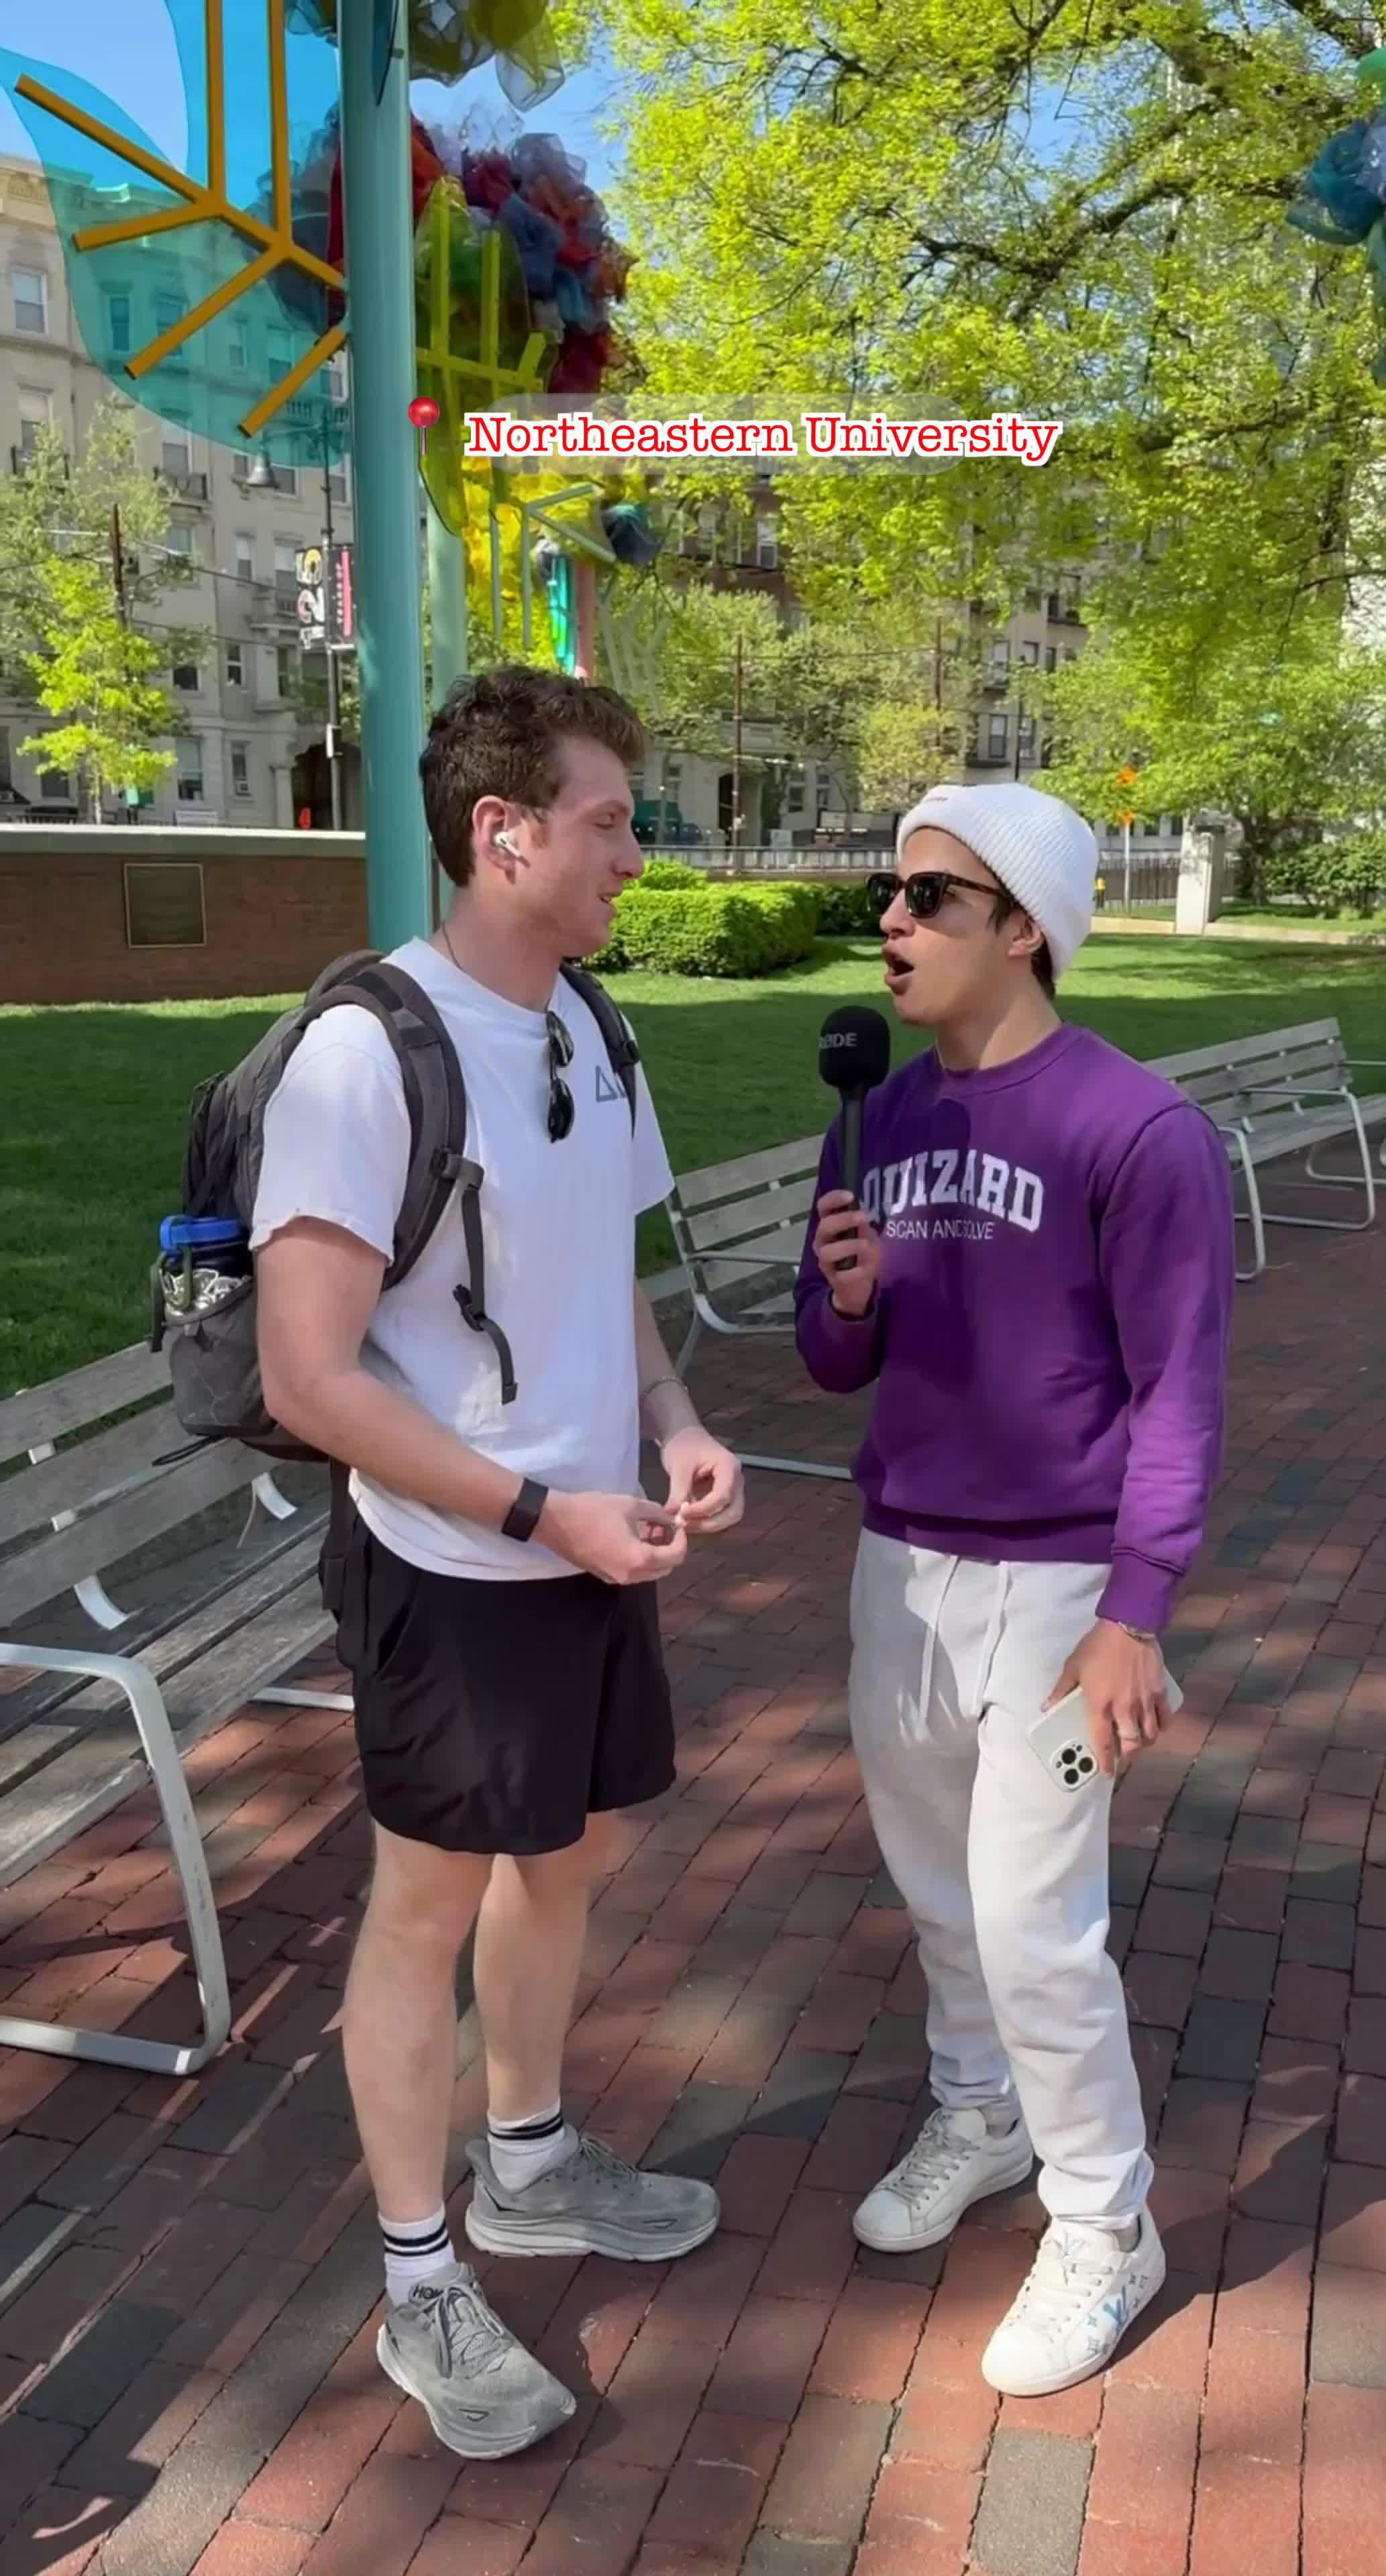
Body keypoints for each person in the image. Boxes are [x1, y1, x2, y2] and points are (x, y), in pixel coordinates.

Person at [252, 666, 744, 2459]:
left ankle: (527, 2161)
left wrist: (672, 1417)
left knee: (579, 1850)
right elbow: (308, 1378)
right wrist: (539, 1511)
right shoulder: (365, 1053)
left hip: (591, 1548)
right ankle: (418, 2280)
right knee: (427, 1901)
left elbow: (596, 1268)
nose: (637, 852)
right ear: (504, 832)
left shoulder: (589, 1025)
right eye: (611, 820)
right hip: (454, 1565)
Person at [794, 780, 1234, 2399]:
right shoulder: (884, 1117)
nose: (893, 919)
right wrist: (848, 1302)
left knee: (1037, 1924)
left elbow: (1180, 1391)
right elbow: (831, 1358)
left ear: (1025, 929)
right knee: (937, 1890)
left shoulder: (1135, 1129)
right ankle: (978, 2110)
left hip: (1061, 1589)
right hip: (902, 1566)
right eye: (892, 890)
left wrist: (1138, 1612)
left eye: (932, 896)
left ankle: (1107, 2225)